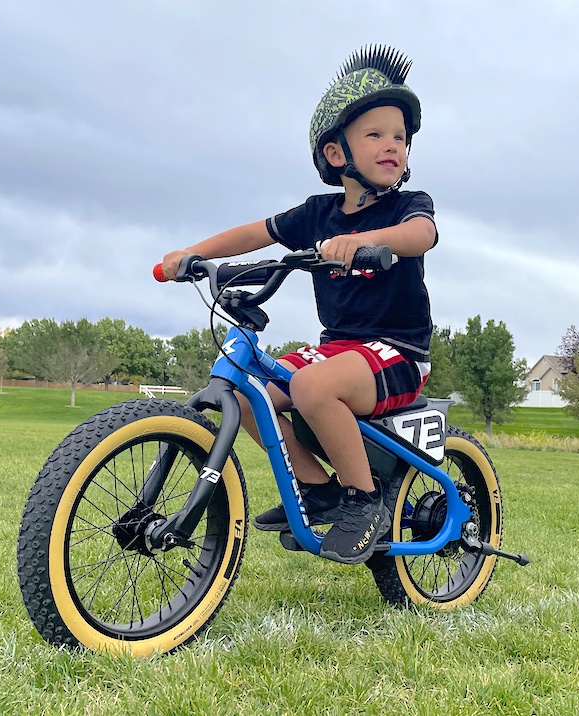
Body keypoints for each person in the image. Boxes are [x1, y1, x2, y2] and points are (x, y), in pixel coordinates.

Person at [161, 45, 437, 565]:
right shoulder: (318, 214)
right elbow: (257, 232)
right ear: (337, 154)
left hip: (398, 353)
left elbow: (421, 235)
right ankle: (318, 489)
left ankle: (365, 500)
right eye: (375, 134)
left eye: (399, 136)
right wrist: (194, 254)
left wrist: (365, 241)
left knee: (311, 385)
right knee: (247, 398)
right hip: (341, 351)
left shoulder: (407, 206)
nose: (392, 146)